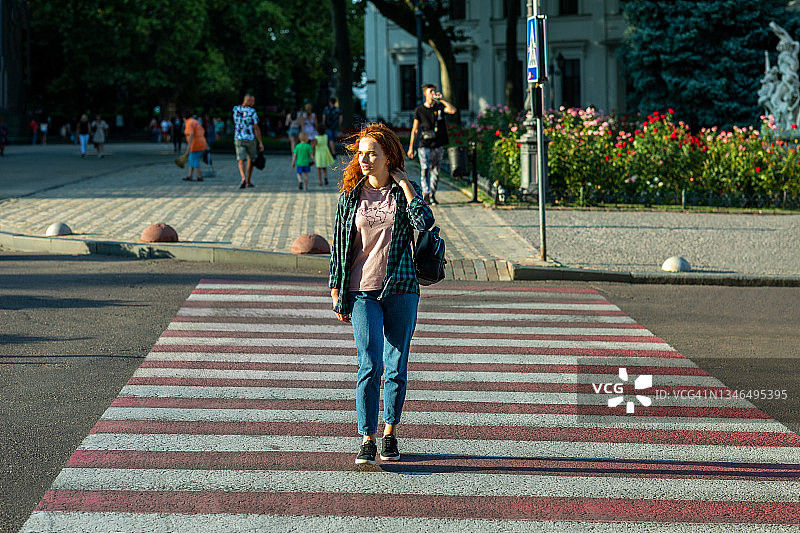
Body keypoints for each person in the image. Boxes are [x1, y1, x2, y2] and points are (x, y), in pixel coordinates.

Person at [329, 123, 435, 465]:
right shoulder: (350, 196)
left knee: (396, 365)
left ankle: (389, 432)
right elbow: (339, 247)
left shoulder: (405, 190)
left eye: (371, 153)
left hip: (402, 289)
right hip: (361, 291)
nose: (364, 159)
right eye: (360, 153)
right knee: (369, 365)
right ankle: (367, 437)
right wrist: (336, 291)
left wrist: (405, 185)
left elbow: (425, 223)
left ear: (389, 156)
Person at [407, 83, 457, 205]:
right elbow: (415, 130)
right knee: (425, 169)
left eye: (434, 91)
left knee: (436, 171)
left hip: (438, 144)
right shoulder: (419, 110)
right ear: (425, 93)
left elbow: (452, 110)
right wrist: (411, 147)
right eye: (431, 91)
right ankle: (426, 193)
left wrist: (442, 100)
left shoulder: (439, 107)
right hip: (424, 144)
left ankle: (432, 194)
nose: (433, 93)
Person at [232, 93, 264, 189]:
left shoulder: (235, 109)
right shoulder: (252, 111)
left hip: (238, 137)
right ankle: (248, 181)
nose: (253, 103)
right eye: (252, 101)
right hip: (250, 138)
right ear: (247, 100)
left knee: (240, 159)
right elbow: (256, 127)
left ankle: (243, 178)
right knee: (251, 159)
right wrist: (260, 142)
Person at [182, 109, 207, 181]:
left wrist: (189, 145)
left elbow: (191, 134)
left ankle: (200, 176)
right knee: (191, 159)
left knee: (194, 160)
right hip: (201, 142)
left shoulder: (188, 123)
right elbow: (203, 131)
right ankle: (190, 176)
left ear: (184, 118)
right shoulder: (196, 121)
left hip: (195, 144)